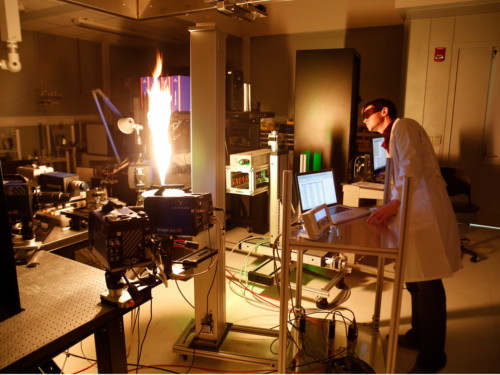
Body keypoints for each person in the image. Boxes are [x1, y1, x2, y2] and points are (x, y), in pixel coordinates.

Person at [362, 98, 462, 373]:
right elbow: (400, 175)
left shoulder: (402, 126)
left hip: (424, 215)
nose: (364, 119)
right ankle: (418, 335)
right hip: (414, 214)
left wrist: (394, 203)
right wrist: (392, 204)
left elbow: (409, 168)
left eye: (367, 113)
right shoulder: (393, 133)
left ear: (385, 112)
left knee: (428, 284)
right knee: (414, 279)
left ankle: (433, 356)